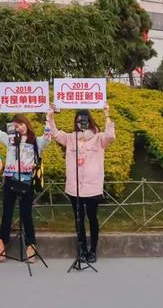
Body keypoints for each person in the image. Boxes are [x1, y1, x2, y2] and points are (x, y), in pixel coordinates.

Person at [48, 104, 115, 263]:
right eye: (78, 121)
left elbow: (111, 136)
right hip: (74, 187)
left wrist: (106, 115)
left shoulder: (99, 138)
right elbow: (55, 134)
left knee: (92, 218)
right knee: (79, 219)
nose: (80, 124)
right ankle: (82, 249)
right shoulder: (70, 138)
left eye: (84, 121)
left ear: (90, 121)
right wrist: (50, 117)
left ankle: (93, 250)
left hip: (93, 186)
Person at [0, 101, 52, 264]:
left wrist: (48, 118)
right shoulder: (10, 140)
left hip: (26, 181)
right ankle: (0, 248)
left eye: (21, 124)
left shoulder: (35, 141)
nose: (19, 127)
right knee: (7, 214)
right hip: (10, 179)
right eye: (16, 125)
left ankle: (31, 247)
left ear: (26, 124)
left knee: (26, 215)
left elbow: (47, 138)